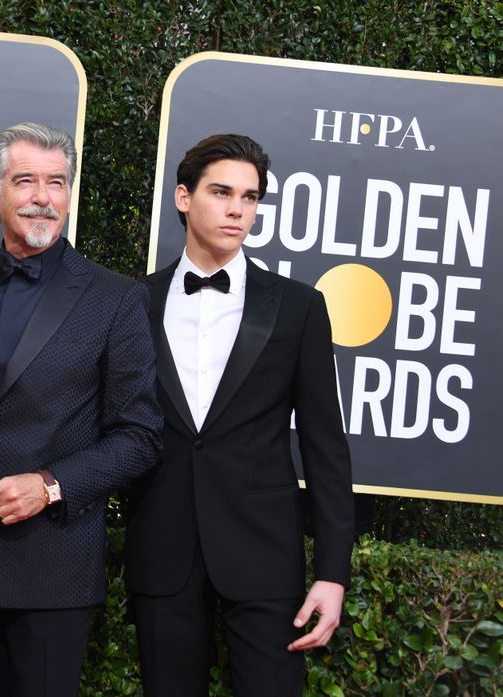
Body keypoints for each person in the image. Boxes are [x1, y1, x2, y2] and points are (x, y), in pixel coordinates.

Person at [0, 122, 163, 697]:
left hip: (53, 566)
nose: (43, 197)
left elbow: (141, 434)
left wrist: (50, 484)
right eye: (26, 180)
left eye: (57, 183)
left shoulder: (115, 299)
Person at [125, 133, 355, 696]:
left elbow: (326, 448)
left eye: (250, 198)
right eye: (222, 192)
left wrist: (332, 573)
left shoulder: (298, 306)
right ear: (183, 197)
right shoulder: (133, 301)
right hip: (163, 546)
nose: (237, 210)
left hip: (263, 551)